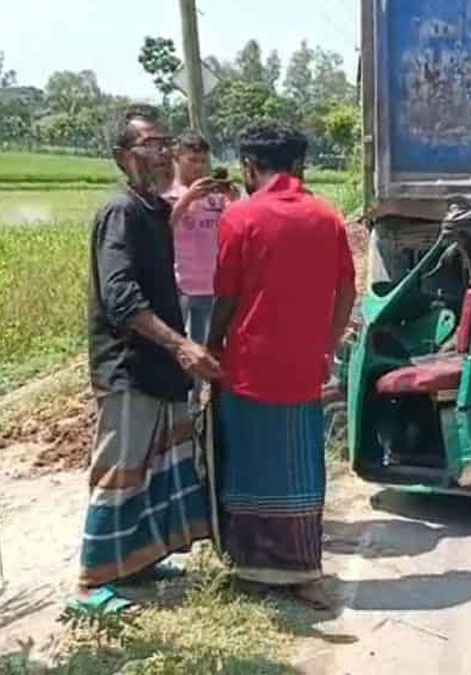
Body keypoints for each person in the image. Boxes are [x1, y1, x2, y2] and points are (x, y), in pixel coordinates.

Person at [77, 105, 221, 612]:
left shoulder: (154, 210)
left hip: (158, 364)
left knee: (157, 463)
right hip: (129, 365)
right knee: (120, 469)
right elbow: (119, 297)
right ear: (123, 158)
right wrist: (181, 345)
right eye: (150, 146)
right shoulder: (120, 212)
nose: (162, 154)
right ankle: (93, 584)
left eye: (165, 145)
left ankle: (137, 561)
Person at [206, 123, 357, 609]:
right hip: (303, 370)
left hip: (249, 367)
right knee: (300, 471)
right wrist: (327, 347)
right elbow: (347, 292)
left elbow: (225, 296)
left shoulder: (240, 216)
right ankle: (303, 571)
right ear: (299, 166)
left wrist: (209, 347)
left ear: (251, 167)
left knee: (248, 468)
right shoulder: (328, 217)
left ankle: (250, 569)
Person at [162, 130, 236, 409]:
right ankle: (183, 404)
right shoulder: (168, 196)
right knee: (182, 350)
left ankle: (205, 402)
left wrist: (233, 198)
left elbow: (236, 225)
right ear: (177, 159)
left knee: (208, 349)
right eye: (193, 160)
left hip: (213, 286)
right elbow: (161, 229)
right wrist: (187, 198)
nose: (200, 167)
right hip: (182, 285)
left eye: (204, 161)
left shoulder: (217, 199)